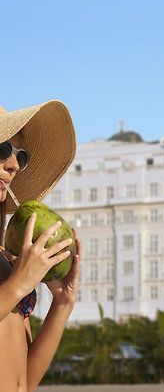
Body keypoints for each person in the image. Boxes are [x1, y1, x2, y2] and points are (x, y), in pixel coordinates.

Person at [0, 100, 81, 392]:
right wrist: (19, 284)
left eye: (19, 157)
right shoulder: (16, 274)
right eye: (2, 150)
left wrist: (62, 304)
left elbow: (26, 378)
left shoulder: (7, 257)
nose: (12, 165)